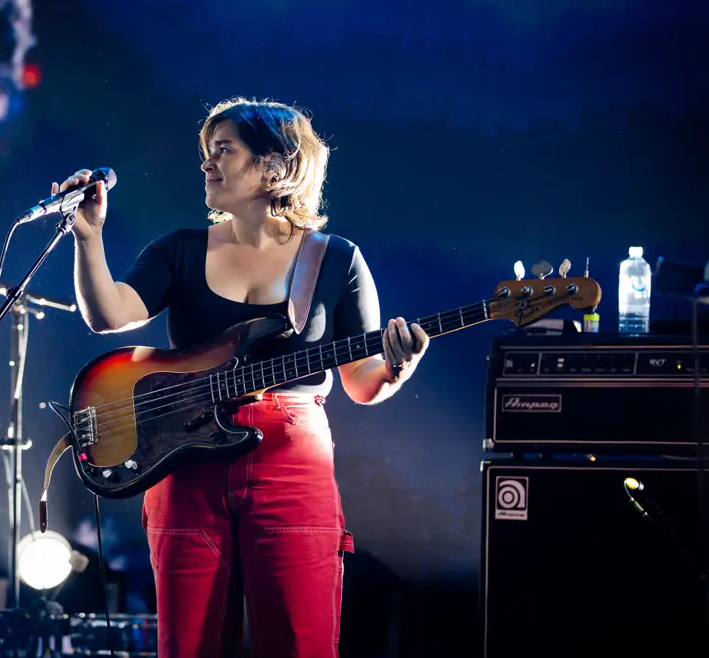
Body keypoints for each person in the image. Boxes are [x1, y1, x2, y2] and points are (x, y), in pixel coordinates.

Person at [55, 97, 429, 657]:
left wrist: (399, 365)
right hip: (185, 462)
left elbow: (362, 383)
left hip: (290, 462)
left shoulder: (336, 260)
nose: (206, 164)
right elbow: (108, 313)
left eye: (223, 150)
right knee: (189, 646)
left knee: (298, 642)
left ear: (274, 165)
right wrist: (89, 238)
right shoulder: (179, 250)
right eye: (206, 152)